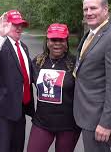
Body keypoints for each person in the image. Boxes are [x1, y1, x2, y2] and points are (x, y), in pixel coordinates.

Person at [73, 0, 111, 152]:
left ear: (105, 10)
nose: (89, 13)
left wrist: (106, 123)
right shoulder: (91, 34)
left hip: (98, 118)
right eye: (86, 9)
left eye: (93, 8)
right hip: (86, 113)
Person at [0, 10, 35, 152]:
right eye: (14, 25)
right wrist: (0, 36)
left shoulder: (23, 47)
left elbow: (28, 73)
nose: (19, 28)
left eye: (21, 25)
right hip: (0, 111)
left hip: (19, 108)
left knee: (17, 148)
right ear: (6, 25)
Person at [27, 23, 81, 152]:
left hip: (68, 125)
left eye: (61, 40)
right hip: (42, 123)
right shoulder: (37, 62)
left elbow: (94, 77)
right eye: (53, 40)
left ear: (66, 42)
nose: (57, 43)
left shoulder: (75, 63)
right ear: (47, 41)